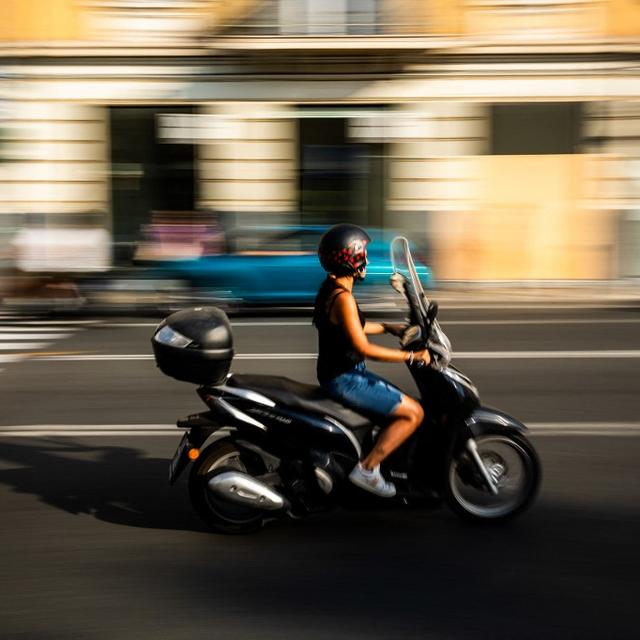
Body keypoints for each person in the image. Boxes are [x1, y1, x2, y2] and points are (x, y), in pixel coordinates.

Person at [313, 224, 430, 497]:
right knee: (414, 413)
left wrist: (389, 327)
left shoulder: (332, 289)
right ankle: (367, 469)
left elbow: (353, 327)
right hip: (346, 379)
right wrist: (411, 356)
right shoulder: (343, 299)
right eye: (362, 254)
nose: (366, 260)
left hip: (340, 374)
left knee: (400, 405)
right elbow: (361, 346)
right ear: (352, 258)